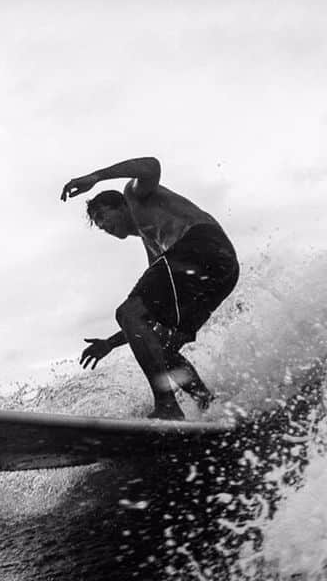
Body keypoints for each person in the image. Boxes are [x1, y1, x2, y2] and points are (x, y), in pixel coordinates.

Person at [60, 157, 239, 420]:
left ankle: (167, 406)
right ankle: (208, 405)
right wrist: (110, 344)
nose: (102, 226)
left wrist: (95, 177)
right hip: (223, 272)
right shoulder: (157, 252)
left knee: (128, 312)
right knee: (162, 346)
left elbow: (151, 165)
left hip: (203, 244)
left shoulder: (135, 195)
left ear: (120, 206)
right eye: (98, 224)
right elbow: (144, 321)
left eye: (102, 216)